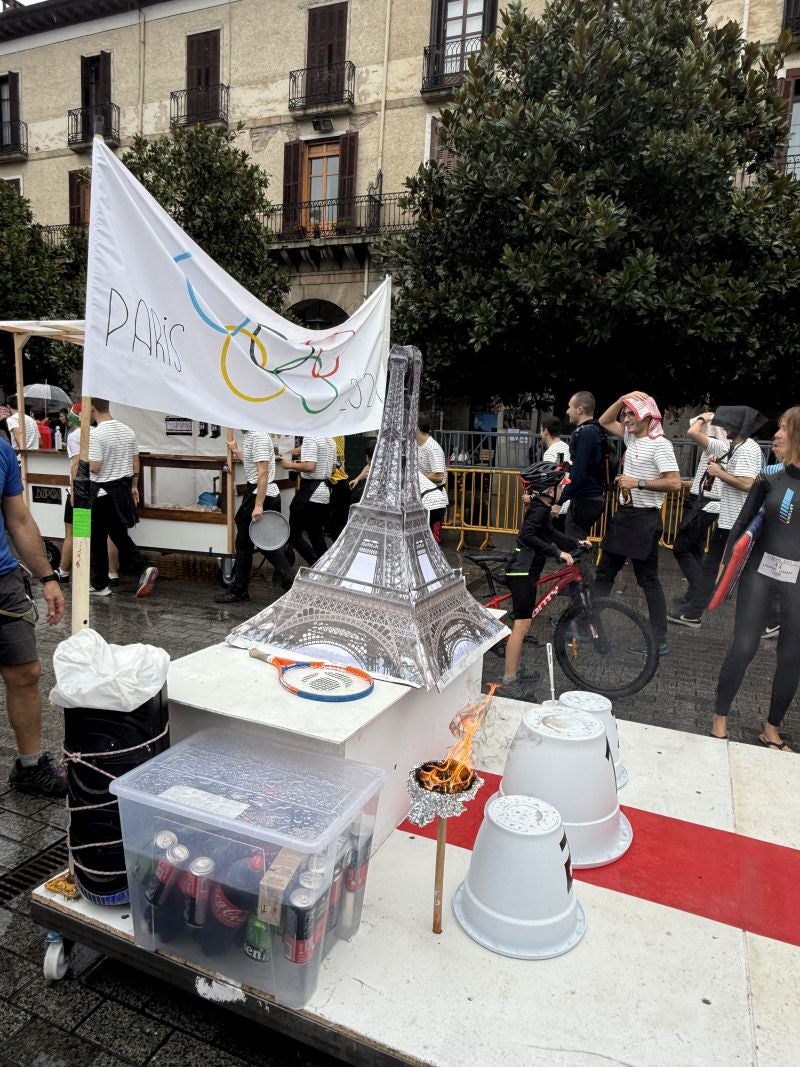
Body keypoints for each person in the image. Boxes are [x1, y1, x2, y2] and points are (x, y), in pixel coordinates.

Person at [710, 407, 800, 751]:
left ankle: (772, 729)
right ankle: (720, 717)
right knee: (744, 646)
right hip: (760, 574)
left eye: (784, 430)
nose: (776, 436)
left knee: (792, 656)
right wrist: (725, 567)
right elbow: (742, 523)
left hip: (797, 583)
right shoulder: (770, 477)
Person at [0, 434, 67, 796]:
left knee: (26, 671)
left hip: (3, 579)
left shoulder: (1, 449)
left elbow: (20, 521)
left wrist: (48, 577)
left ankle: (30, 767)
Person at [596, 392, 681, 656]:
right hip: (626, 516)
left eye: (633, 413)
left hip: (645, 518)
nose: (627, 417)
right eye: (627, 413)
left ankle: (658, 639)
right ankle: (588, 624)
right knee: (604, 574)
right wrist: (623, 398)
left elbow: (675, 482)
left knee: (648, 580)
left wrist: (639, 482)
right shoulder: (632, 436)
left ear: (648, 416)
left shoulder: (660, 444)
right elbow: (603, 419)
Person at [668, 406, 764, 628]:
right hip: (729, 522)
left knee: (746, 573)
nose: (723, 427)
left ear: (739, 426)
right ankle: (693, 614)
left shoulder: (748, 449)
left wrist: (719, 472)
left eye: (727, 424)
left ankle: (773, 619)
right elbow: (694, 434)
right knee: (711, 568)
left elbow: (747, 484)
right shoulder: (731, 447)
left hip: (738, 523)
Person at [501, 461, 590, 700]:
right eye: (561, 486)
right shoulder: (539, 509)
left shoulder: (541, 507)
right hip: (521, 573)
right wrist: (558, 553)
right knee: (522, 625)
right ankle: (509, 680)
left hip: (527, 570)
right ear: (550, 489)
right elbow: (527, 536)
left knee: (524, 623)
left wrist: (574, 543)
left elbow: (550, 533)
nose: (563, 490)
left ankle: (515, 670)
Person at [87, 399, 158, 598]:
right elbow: (136, 462)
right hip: (122, 491)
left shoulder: (95, 434)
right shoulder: (128, 430)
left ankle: (101, 584)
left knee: (98, 539)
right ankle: (143, 568)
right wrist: (134, 486)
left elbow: (95, 467)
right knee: (119, 535)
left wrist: (82, 460)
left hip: (101, 494)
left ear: (92, 408)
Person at [215, 429, 294, 604]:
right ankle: (290, 583)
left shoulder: (258, 436)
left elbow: (263, 472)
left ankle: (240, 591)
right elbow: (253, 465)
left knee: (247, 544)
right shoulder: (253, 436)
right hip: (260, 492)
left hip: (261, 493)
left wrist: (258, 504)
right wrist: (236, 451)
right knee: (259, 544)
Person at [669, 413, 726, 619]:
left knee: (681, 548)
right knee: (695, 549)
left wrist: (703, 417)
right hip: (701, 500)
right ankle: (694, 593)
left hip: (704, 504)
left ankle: (701, 592)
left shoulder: (718, 445)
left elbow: (692, 431)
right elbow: (705, 475)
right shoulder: (716, 448)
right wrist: (685, 484)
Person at [555, 391, 607, 540]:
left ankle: (580, 564)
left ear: (579, 409)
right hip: (593, 497)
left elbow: (579, 474)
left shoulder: (585, 433)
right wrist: (569, 468)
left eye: (569, 407)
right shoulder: (597, 430)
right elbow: (588, 467)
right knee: (579, 542)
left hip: (585, 498)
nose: (567, 411)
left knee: (575, 545)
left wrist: (560, 501)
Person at [279, 435, 336, 565]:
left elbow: (310, 466)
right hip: (324, 493)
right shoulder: (331, 441)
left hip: (310, 493)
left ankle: (315, 563)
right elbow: (332, 470)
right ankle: (324, 568)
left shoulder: (312, 438)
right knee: (315, 534)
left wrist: (290, 465)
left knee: (292, 533)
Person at [327, 435, 352, 542]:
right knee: (340, 524)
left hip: (336, 482)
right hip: (342, 481)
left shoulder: (331, 436)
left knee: (336, 526)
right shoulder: (340, 434)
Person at [417, 422, 446, 488]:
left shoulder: (433, 448)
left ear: (417, 429)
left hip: (432, 493)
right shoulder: (417, 445)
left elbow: (439, 477)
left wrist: (415, 478)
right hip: (423, 490)